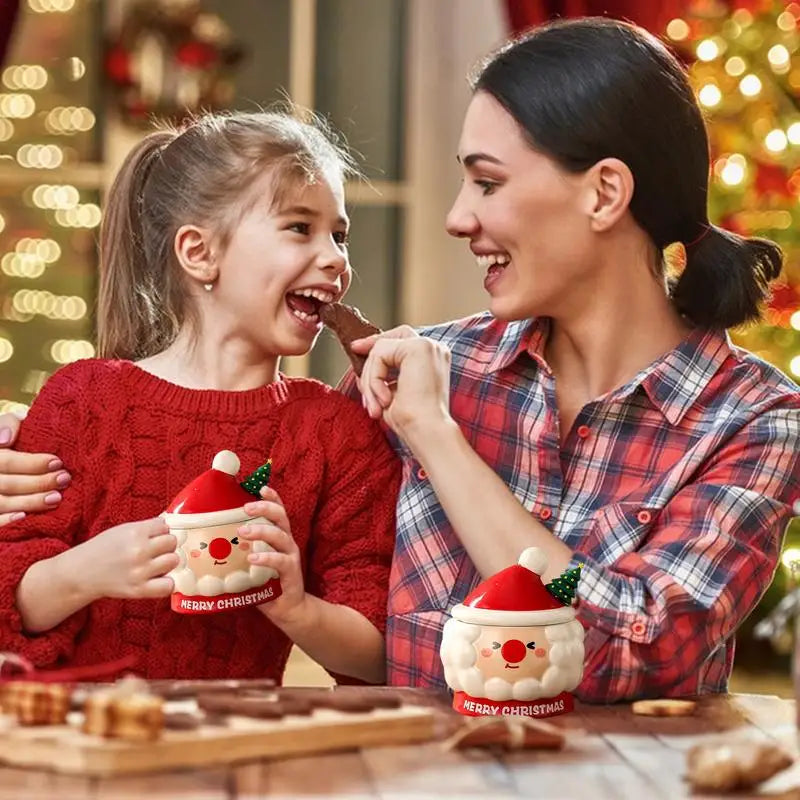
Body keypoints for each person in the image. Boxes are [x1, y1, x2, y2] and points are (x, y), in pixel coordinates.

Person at [3, 18, 800, 702]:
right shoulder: (406, 372)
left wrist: (436, 437)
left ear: (603, 193)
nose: (456, 218)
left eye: (487, 183)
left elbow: (639, 652)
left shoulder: (755, 420)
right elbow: (174, 440)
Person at [0, 109, 400, 684]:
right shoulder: (83, 401)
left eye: (339, 235)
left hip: (238, 737)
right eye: (299, 227)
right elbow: (10, 603)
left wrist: (296, 608)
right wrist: (83, 572)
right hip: (78, 733)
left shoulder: (337, 433)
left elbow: (381, 654)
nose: (337, 258)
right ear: (199, 253)